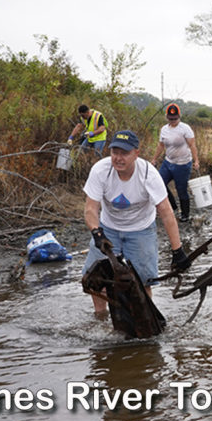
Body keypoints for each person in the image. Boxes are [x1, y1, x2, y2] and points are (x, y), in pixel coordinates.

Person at [82, 130, 191, 317]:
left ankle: (144, 318)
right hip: (108, 228)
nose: (118, 158)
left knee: (144, 281)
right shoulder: (101, 170)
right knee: (95, 279)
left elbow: (166, 212)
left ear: (136, 154)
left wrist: (177, 250)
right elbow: (90, 208)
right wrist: (96, 233)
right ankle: (100, 316)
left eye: (124, 153)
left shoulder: (149, 173)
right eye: (115, 152)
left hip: (141, 229)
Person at [152, 103, 200, 223]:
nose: (173, 120)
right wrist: (154, 159)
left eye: (175, 118)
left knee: (181, 189)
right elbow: (161, 145)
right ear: (166, 117)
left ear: (179, 116)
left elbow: (192, 145)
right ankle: (172, 207)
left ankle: (185, 214)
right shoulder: (164, 129)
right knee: (159, 184)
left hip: (183, 164)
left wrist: (196, 160)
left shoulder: (185, 128)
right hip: (168, 162)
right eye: (170, 118)